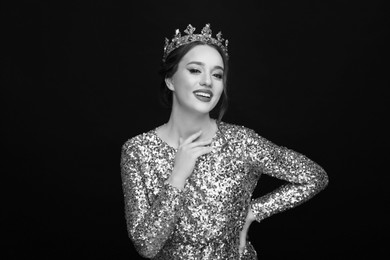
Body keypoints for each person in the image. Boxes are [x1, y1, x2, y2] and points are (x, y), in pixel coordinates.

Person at [120, 24, 328, 260]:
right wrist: (177, 177)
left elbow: (314, 176)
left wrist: (255, 210)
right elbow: (146, 246)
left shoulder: (241, 142)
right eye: (195, 70)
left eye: (217, 74)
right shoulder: (137, 150)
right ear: (170, 80)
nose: (208, 81)